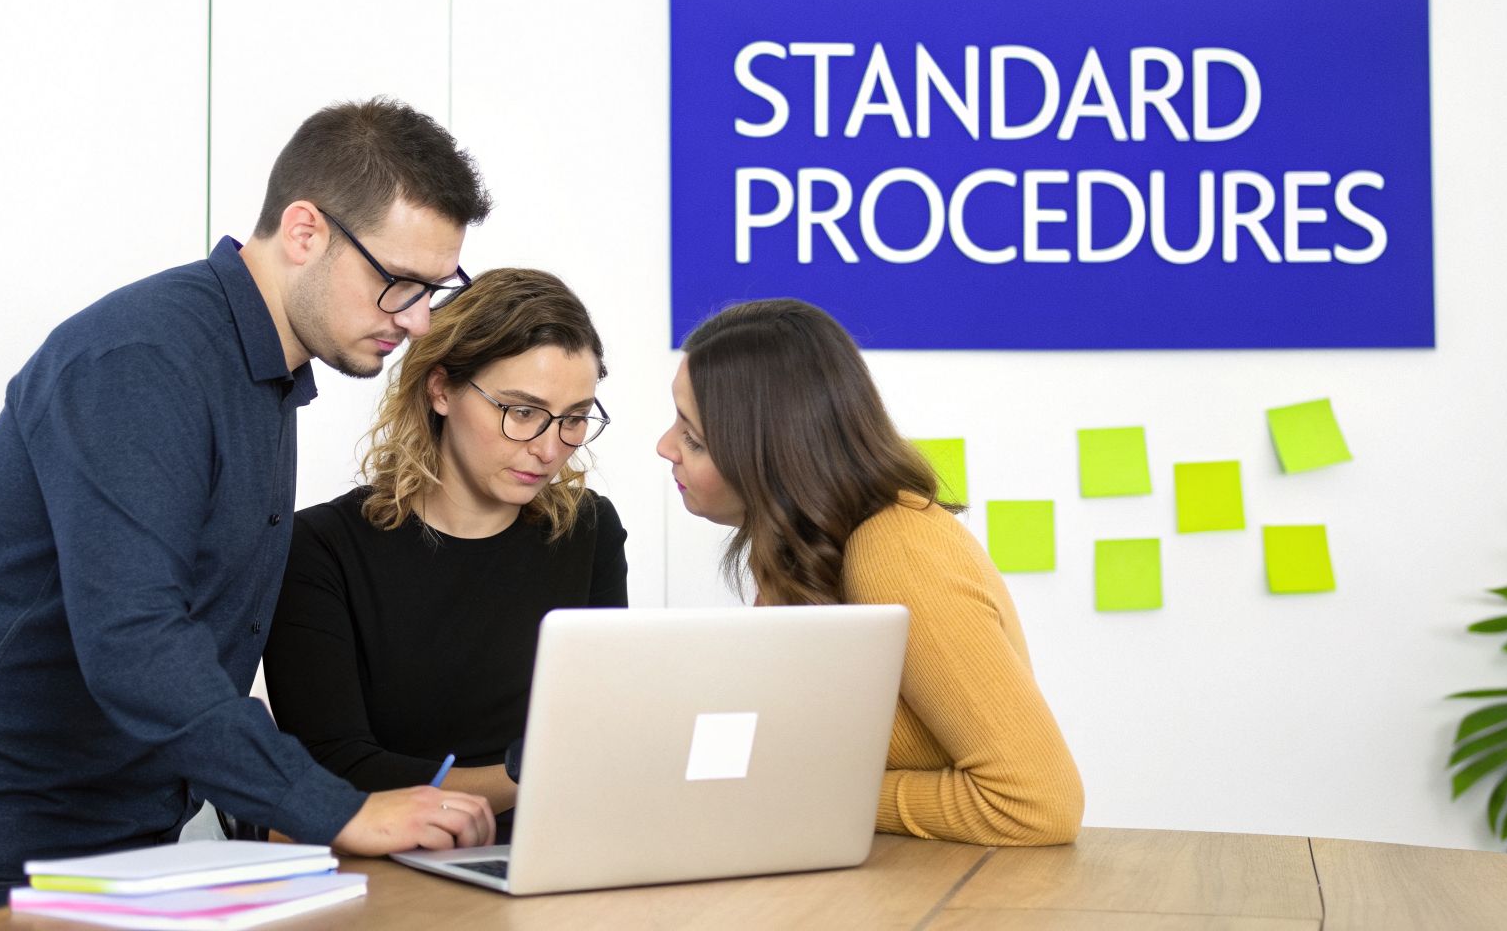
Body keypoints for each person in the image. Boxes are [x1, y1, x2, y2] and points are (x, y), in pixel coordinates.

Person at [0, 98, 499, 930]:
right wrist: (335, 808)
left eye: (434, 290)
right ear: (304, 231)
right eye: (398, 283)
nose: (418, 320)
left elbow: (195, 638)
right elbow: (134, 640)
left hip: (115, 843)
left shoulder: (263, 375)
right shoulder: (145, 359)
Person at [656, 298, 1084, 847]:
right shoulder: (805, 554)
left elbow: (1037, 801)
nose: (664, 447)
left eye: (693, 438)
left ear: (771, 455)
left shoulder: (894, 551)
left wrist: (815, 796)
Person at [264, 268, 626, 839]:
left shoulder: (588, 530)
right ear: (441, 390)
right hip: (389, 863)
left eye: (575, 418)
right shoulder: (321, 548)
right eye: (522, 412)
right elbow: (333, 768)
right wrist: (537, 776)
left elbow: (605, 730)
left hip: (557, 849)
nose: (549, 448)